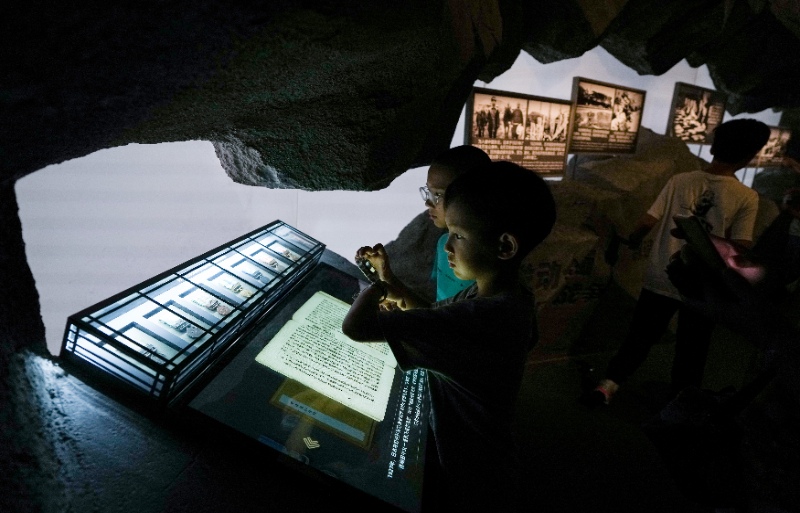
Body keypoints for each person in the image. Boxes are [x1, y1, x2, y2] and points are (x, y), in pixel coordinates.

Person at [343, 161, 557, 512]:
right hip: (489, 462)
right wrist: (391, 282)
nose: (447, 247)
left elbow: (356, 327)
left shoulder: (479, 319)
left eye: (458, 235)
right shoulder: (505, 296)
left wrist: (376, 289)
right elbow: (434, 316)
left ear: (504, 246)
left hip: (473, 476)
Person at [589, 119, 771, 405]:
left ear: (713, 147)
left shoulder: (680, 180)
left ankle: (607, 386)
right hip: (703, 285)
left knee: (640, 335)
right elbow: (740, 246)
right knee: (692, 348)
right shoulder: (746, 196)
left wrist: (632, 240)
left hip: (662, 273)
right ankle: (680, 404)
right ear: (750, 156)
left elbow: (646, 222)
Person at [361, 145, 491, 303]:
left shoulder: (479, 262)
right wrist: (389, 279)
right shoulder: (443, 244)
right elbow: (438, 311)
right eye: (429, 192)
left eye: (438, 194)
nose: (428, 203)